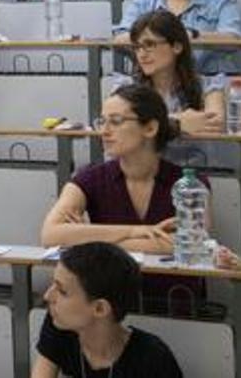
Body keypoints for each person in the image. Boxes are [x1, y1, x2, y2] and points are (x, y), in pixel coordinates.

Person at [40, 84, 209, 312]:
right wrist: (133, 231)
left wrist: (88, 240)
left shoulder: (190, 183)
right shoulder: (88, 177)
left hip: (175, 305)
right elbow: (51, 234)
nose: (104, 131)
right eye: (102, 121)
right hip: (109, 309)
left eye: (116, 121)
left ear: (149, 128)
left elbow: (190, 245)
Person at [32, 242, 184, 378]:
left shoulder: (153, 358)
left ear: (100, 308)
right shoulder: (60, 326)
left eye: (62, 291)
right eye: (53, 284)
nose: (47, 296)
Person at [114, 10, 228, 137]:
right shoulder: (126, 87)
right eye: (137, 47)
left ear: (177, 47)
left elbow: (215, 125)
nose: (142, 54)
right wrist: (177, 123)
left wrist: (149, 124)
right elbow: (120, 127)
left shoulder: (208, 86)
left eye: (150, 44)